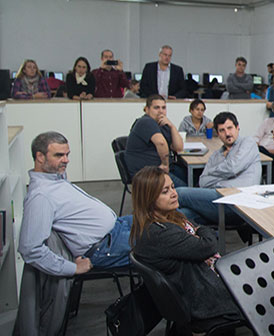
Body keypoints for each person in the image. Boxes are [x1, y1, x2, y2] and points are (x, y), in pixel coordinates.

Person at [130, 167, 241, 322]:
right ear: (148, 198)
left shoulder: (169, 217)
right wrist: (202, 229)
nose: (174, 194)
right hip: (205, 297)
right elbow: (208, 245)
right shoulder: (161, 233)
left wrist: (200, 231)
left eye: (172, 187)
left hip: (201, 282)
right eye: (165, 191)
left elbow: (201, 236)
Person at [19, 131, 133, 277]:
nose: (66, 160)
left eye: (67, 154)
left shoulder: (53, 178)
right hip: (106, 247)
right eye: (59, 155)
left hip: (117, 227)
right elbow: (29, 249)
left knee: (165, 219)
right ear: (40, 157)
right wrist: (72, 268)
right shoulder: (40, 196)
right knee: (166, 240)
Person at [177, 112, 261, 226]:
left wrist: (214, 174)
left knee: (179, 193)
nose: (227, 133)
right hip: (217, 200)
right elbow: (203, 182)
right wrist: (224, 178)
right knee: (181, 214)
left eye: (230, 128)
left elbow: (232, 168)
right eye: (222, 130)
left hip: (239, 203)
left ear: (237, 128)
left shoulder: (248, 143)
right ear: (218, 133)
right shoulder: (216, 154)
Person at [125, 94, 187, 187]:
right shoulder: (145, 121)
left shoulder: (163, 124)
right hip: (148, 173)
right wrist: (165, 165)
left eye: (163, 108)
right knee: (185, 189)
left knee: (194, 178)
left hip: (163, 168)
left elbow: (178, 147)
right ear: (146, 109)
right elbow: (161, 143)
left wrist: (172, 126)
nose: (161, 111)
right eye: (156, 108)